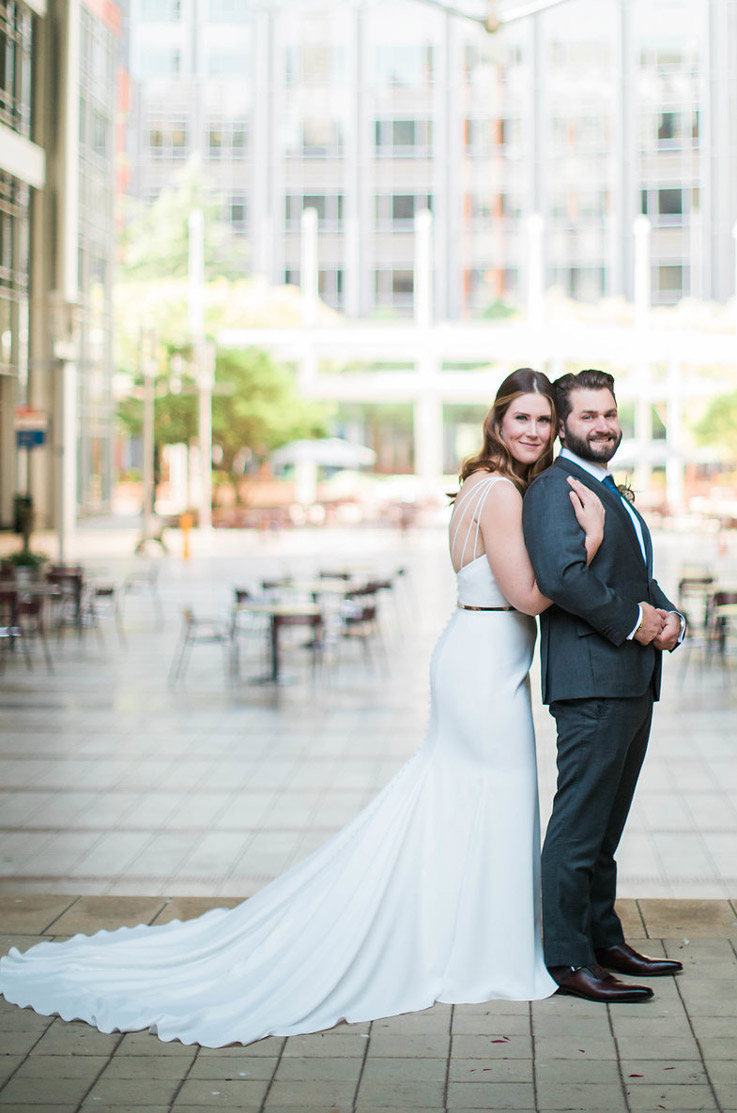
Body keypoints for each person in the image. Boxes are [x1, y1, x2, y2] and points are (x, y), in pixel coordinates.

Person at [0, 369, 603, 1048]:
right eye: (519, 418)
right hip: (483, 657)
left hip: (481, 655)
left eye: (542, 421)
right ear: (496, 424)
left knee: (469, 800)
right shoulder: (495, 492)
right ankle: (482, 949)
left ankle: (468, 935)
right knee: (495, 796)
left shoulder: (487, 485)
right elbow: (526, 593)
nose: (532, 430)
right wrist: (588, 540)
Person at [522, 368, 685, 1004]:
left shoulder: (605, 488)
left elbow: (633, 574)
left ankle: (602, 936)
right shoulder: (552, 489)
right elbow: (562, 578)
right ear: (564, 424)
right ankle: (567, 959)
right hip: (591, 680)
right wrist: (640, 624)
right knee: (578, 825)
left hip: (629, 678)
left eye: (609, 412)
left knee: (607, 826)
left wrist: (667, 615)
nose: (603, 425)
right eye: (588, 415)